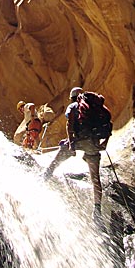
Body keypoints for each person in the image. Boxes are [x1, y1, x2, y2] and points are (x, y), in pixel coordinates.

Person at [43, 87, 112, 227]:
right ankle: (97, 209)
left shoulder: (73, 106)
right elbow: (108, 124)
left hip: (79, 140)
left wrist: (71, 144)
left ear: (72, 98)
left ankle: (45, 177)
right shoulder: (95, 107)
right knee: (95, 178)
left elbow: (69, 124)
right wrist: (104, 143)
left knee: (57, 160)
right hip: (93, 144)